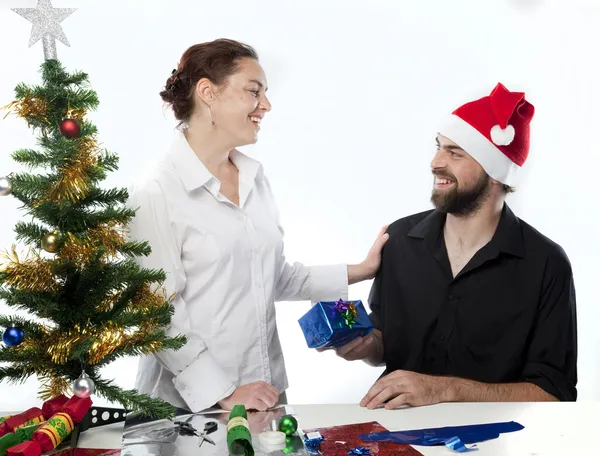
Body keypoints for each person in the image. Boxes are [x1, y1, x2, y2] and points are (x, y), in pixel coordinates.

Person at [127, 39, 389, 413]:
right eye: (254, 91)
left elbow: (270, 275)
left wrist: (361, 270)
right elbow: (155, 312)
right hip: (188, 410)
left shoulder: (254, 177)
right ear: (208, 93)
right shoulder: (156, 189)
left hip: (264, 394)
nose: (266, 105)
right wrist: (225, 393)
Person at [329, 82, 577, 408]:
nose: (435, 162)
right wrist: (365, 345)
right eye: (438, 147)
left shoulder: (546, 263)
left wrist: (445, 389)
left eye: (454, 153)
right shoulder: (400, 239)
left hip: (494, 441)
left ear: (495, 173)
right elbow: (384, 343)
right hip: (398, 434)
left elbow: (555, 392)